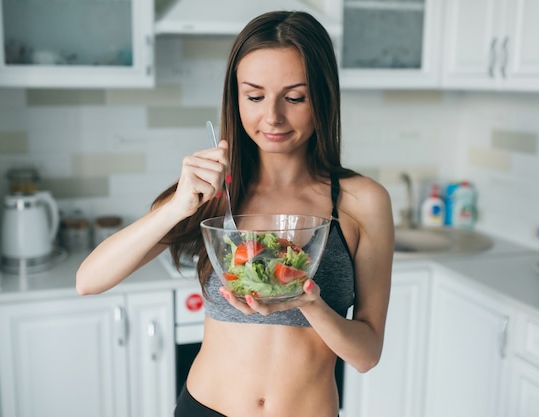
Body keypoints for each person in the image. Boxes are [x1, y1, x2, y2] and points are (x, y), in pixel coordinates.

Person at [76, 10, 394, 417]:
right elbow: (89, 280)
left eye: (295, 97)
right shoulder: (213, 190)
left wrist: (308, 302)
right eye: (255, 96)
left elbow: (366, 354)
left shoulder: (362, 202)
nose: (272, 117)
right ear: (236, 96)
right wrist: (177, 206)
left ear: (323, 98)